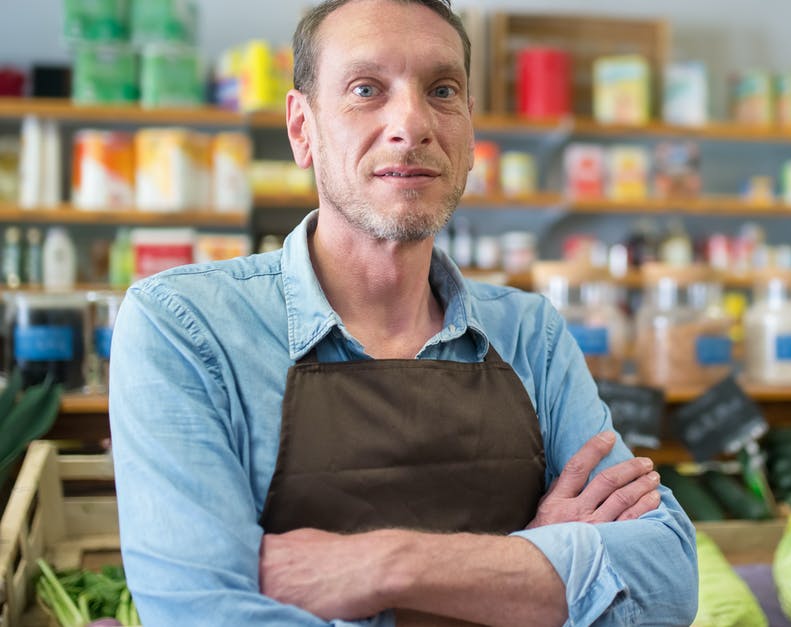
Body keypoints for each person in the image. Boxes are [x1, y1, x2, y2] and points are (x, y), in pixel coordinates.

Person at [107, 0, 699, 624]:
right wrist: (526, 566)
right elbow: (202, 611)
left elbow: (663, 582)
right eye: (366, 89)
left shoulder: (531, 333)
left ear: (470, 132)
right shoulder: (183, 325)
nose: (411, 123)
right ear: (301, 128)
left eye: (442, 90)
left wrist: (384, 566)